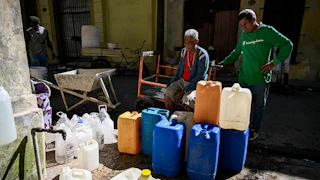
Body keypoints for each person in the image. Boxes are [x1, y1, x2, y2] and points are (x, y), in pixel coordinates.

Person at [219, 9, 293, 140]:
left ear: (253, 20)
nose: (244, 27)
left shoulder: (267, 32)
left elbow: (288, 44)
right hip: (244, 78)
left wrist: (273, 63)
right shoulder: (244, 35)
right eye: (241, 25)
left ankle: (254, 130)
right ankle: (241, 127)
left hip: (259, 79)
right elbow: (236, 53)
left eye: (245, 24)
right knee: (241, 105)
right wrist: (223, 63)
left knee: (258, 107)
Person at [164, 29, 210, 113]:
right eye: (185, 43)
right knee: (167, 94)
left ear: (196, 41)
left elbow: (200, 77)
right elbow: (179, 69)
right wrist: (172, 82)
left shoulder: (202, 55)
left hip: (196, 84)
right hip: (182, 81)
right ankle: (169, 119)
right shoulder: (184, 51)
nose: (187, 45)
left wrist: (184, 91)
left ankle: (189, 121)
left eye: (190, 43)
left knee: (187, 100)